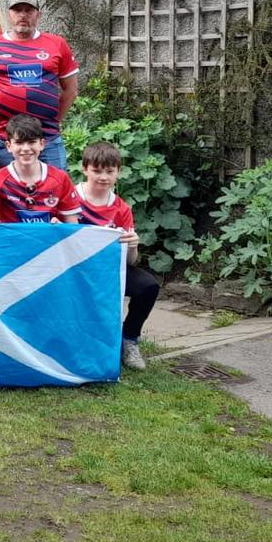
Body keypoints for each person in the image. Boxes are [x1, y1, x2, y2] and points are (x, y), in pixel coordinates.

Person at [76, 141, 157, 371]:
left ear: (118, 173)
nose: (103, 177)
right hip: (73, 270)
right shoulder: (70, 197)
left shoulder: (122, 209)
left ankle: (129, 340)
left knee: (148, 286)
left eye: (110, 171)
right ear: (85, 169)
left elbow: (130, 262)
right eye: (97, 170)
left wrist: (133, 245)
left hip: (108, 269)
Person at [0, 0, 79, 169]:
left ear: (38, 15)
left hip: (47, 139)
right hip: (6, 140)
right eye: (17, 11)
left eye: (28, 11)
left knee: (54, 192)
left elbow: (70, 90)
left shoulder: (57, 44)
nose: (22, 15)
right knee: (9, 194)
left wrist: (55, 120)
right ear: (9, 14)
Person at [0, 114, 82, 224]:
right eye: (19, 142)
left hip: (49, 240)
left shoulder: (60, 178)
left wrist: (61, 227)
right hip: (11, 240)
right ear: (8, 146)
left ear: (42, 144)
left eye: (31, 142)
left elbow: (72, 226)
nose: (25, 148)